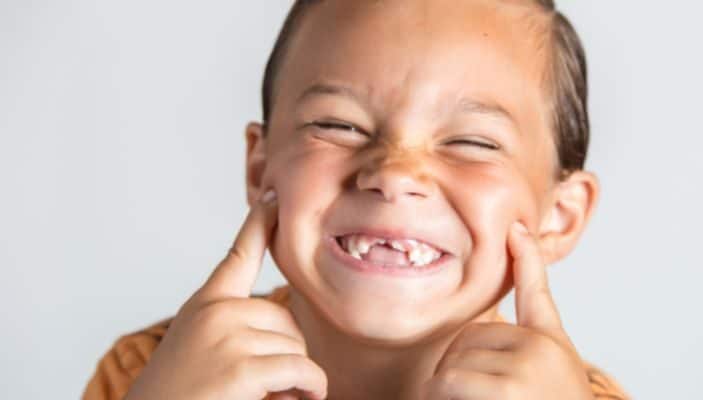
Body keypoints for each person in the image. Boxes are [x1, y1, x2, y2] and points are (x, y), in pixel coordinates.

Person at [83, 1, 631, 399]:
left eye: (471, 141)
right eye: (337, 125)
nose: (394, 175)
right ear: (259, 167)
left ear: (560, 216)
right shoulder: (152, 375)